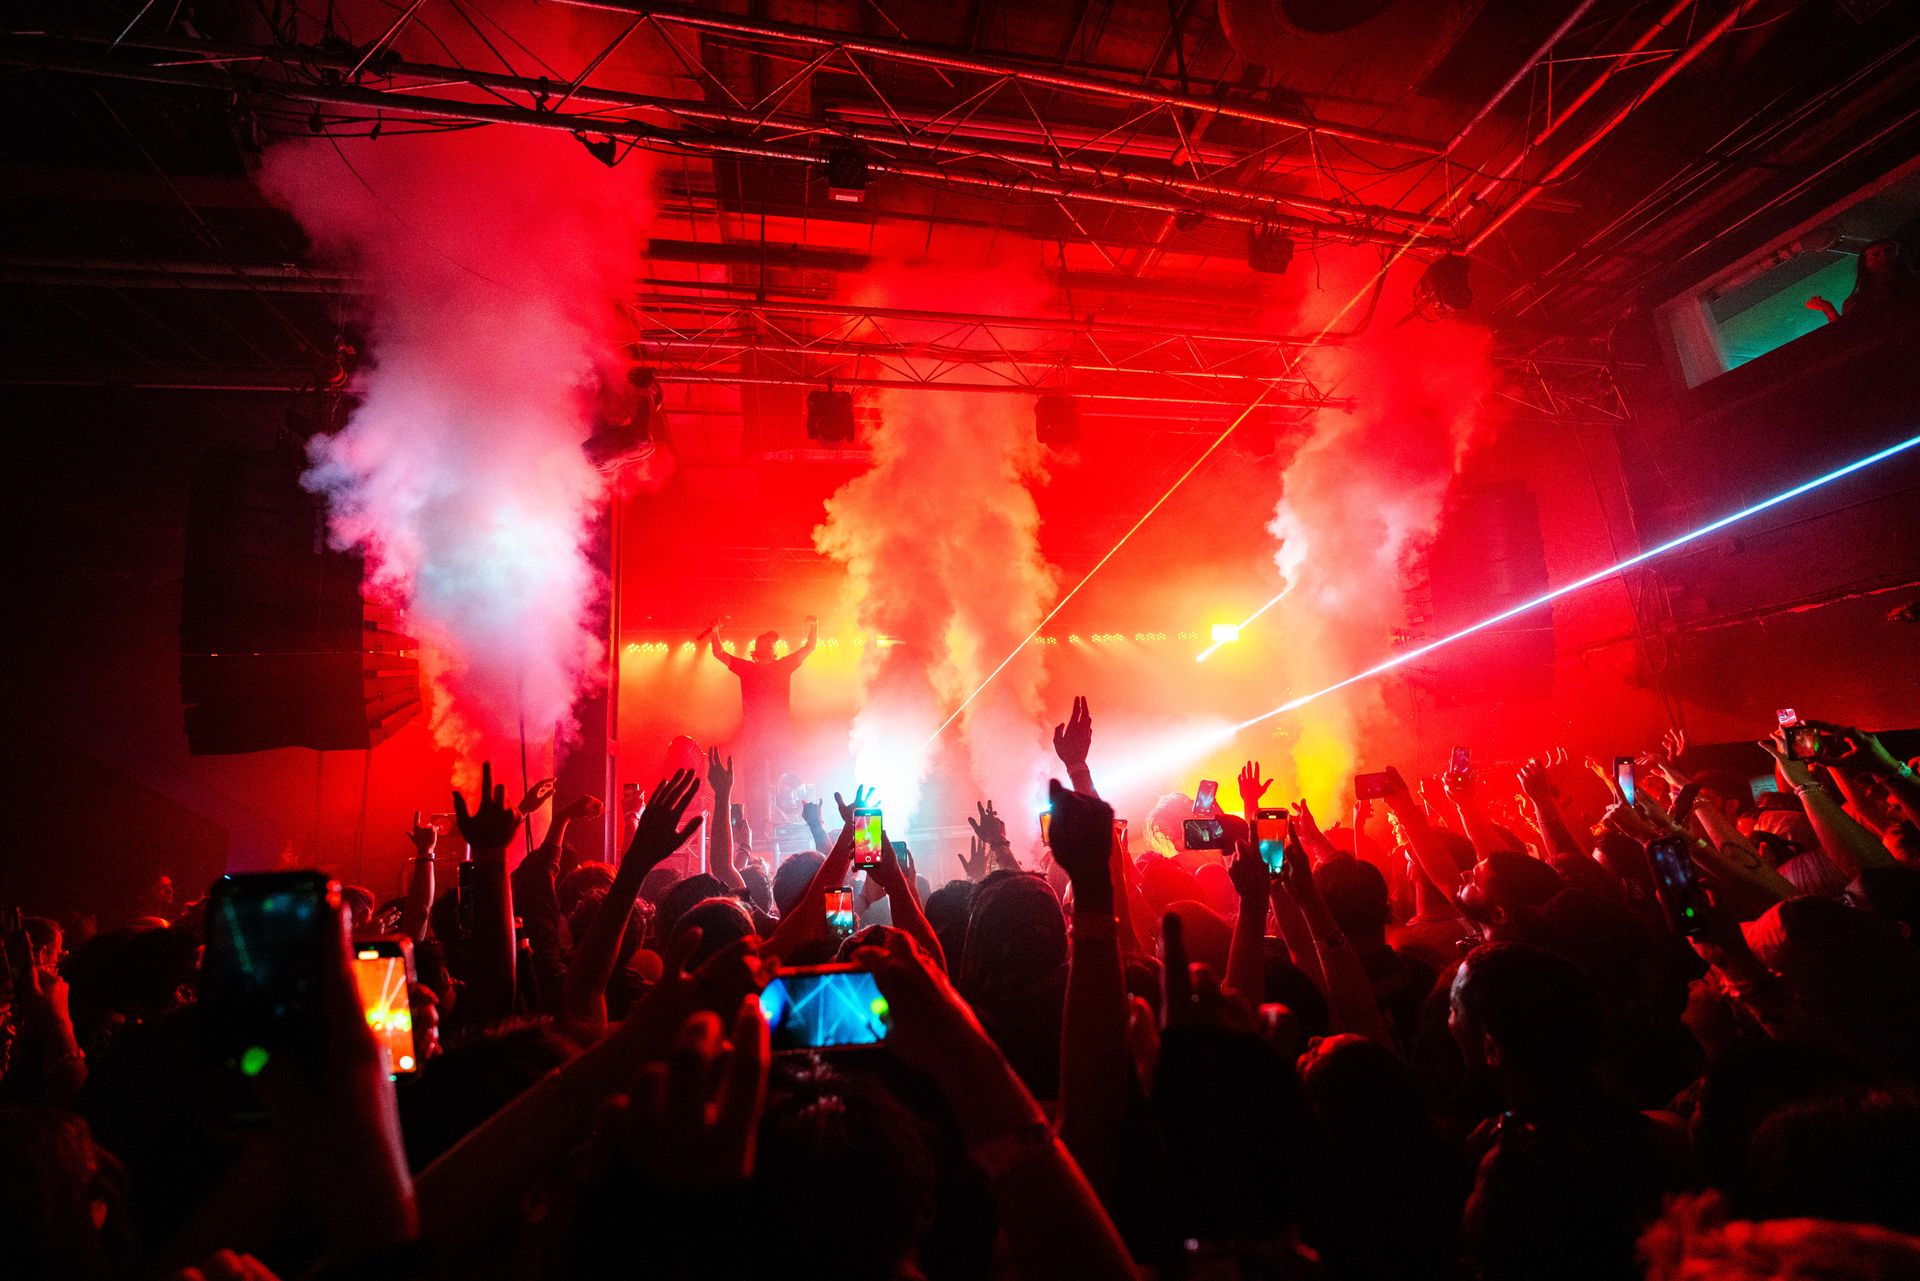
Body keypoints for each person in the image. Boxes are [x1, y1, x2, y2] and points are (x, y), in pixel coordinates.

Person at [707, 617, 818, 828]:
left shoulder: (783, 666)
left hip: (779, 734)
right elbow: (719, 653)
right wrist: (714, 631)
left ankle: (786, 823)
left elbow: (809, 646)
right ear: (757, 647)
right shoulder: (747, 668)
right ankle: (756, 827)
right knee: (755, 783)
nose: (768, 644)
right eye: (764, 641)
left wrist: (815, 624)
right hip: (754, 735)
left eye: (771, 642)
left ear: (774, 647)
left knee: (784, 781)